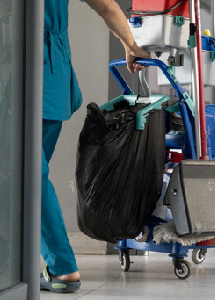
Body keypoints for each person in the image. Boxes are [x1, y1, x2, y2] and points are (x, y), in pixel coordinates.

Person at [40, 0, 149, 293]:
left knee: (27, 176)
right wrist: (130, 46)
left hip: (30, 74)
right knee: (29, 176)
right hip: (54, 73)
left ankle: (62, 267)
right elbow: (107, 7)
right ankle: (44, 262)